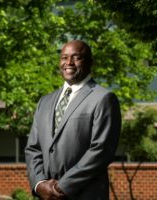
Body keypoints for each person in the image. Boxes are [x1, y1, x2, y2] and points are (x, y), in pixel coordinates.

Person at [25, 40, 121, 200]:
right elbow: (33, 149)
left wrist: (62, 187)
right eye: (64, 57)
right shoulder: (45, 101)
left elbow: (101, 151)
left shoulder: (103, 98)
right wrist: (39, 184)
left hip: (84, 194)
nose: (68, 63)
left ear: (90, 62)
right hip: (46, 196)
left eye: (76, 58)